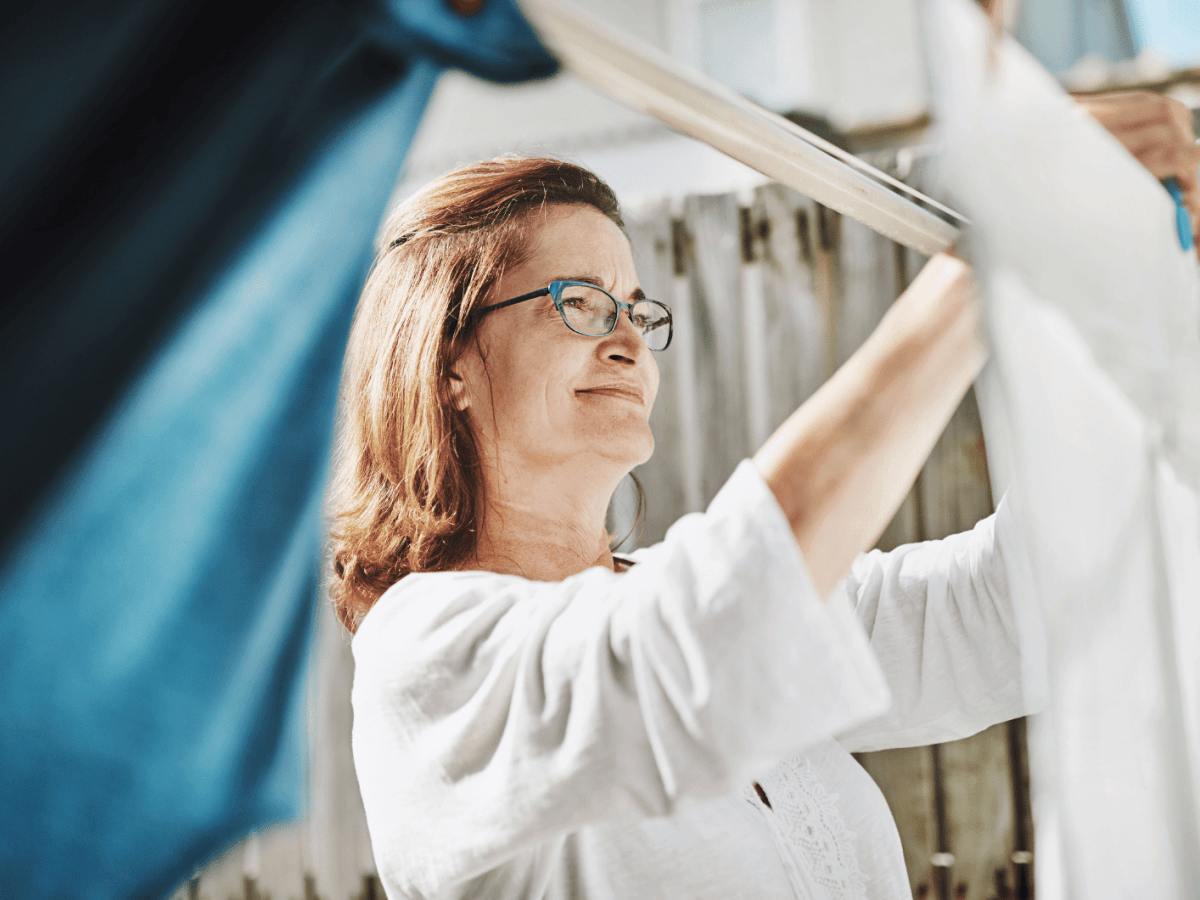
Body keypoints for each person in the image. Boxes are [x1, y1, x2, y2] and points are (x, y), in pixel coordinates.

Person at [327, 89, 1199, 900]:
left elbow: (1006, 610)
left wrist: (1157, 323)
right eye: (581, 302)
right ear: (446, 364)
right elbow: (707, 639)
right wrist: (987, 263)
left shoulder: (681, 594)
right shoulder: (428, 659)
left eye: (637, 307)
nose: (630, 336)